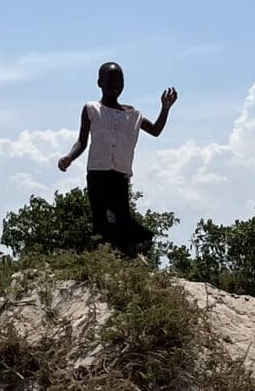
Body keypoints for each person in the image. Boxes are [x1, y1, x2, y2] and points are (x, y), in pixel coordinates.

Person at [56, 63, 176, 259]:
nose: (115, 84)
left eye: (119, 80)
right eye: (110, 80)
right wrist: (69, 157)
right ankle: (105, 258)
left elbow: (155, 131)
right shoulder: (91, 109)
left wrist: (165, 108)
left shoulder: (133, 115)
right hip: (97, 171)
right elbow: (82, 141)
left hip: (120, 172)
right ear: (99, 83)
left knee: (122, 216)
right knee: (100, 219)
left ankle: (131, 248)